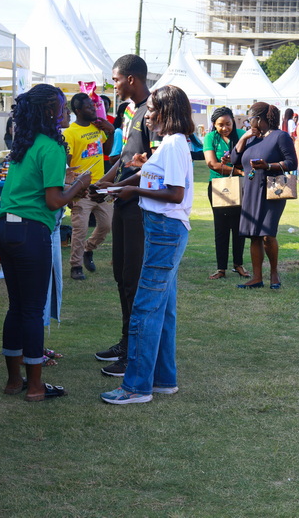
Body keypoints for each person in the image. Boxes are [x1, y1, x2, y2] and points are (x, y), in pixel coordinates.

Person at [0, 84, 90, 402]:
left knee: (17, 307)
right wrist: (80, 184)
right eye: (62, 107)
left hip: (3, 228)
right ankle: (35, 386)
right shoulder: (51, 146)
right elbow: (53, 201)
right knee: (33, 310)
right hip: (29, 232)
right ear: (50, 110)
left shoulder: (26, 143)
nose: (67, 112)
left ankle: (13, 380)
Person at [100, 85, 194, 404]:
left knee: (144, 308)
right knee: (162, 309)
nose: (148, 115)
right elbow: (148, 177)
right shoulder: (168, 143)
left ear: (166, 112)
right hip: (162, 229)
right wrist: (116, 187)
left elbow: (175, 194)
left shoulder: (174, 144)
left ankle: (136, 387)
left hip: (166, 230)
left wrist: (133, 192)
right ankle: (163, 379)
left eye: (152, 109)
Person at [92, 55, 161, 378]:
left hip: (140, 206)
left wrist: (116, 187)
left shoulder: (153, 112)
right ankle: (125, 340)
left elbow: (154, 165)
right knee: (121, 274)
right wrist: (104, 183)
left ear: (131, 79)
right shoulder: (130, 111)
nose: (114, 85)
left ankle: (135, 351)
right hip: (123, 201)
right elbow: (125, 158)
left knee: (133, 277)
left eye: (116, 80)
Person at [232, 102, 297, 290]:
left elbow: (292, 162)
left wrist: (268, 166)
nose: (248, 122)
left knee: (268, 234)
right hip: (251, 190)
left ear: (259, 119)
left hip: (273, 190)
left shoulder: (280, 136)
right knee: (254, 235)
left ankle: (274, 273)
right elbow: (235, 160)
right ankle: (257, 278)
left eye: (250, 118)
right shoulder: (251, 138)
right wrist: (244, 137)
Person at [65, 92, 114, 281]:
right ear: (78, 111)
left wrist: (110, 131)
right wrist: (69, 189)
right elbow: (67, 163)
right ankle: (76, 266)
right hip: (81, 188)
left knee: (107, 224)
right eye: (88, 107)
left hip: (101, 186)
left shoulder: (97, 128)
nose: (93, 109)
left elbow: (106, 151)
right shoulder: (70, 132)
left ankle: (89, 248)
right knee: (80, 229)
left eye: (93, 106)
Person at [203, 107, 248, 280]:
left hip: (239, 186)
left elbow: (248, 161)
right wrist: (237, 170)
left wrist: (236, 164)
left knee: (239, 227)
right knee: (221, 227)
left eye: (228, 124)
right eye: (220, 125)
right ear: (214, 124)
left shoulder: (242, 135)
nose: (225, 128)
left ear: (233, 122)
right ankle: (221, 268)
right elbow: (212, 164)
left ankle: (238, 264)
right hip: (218, 186)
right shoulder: (210, 137)